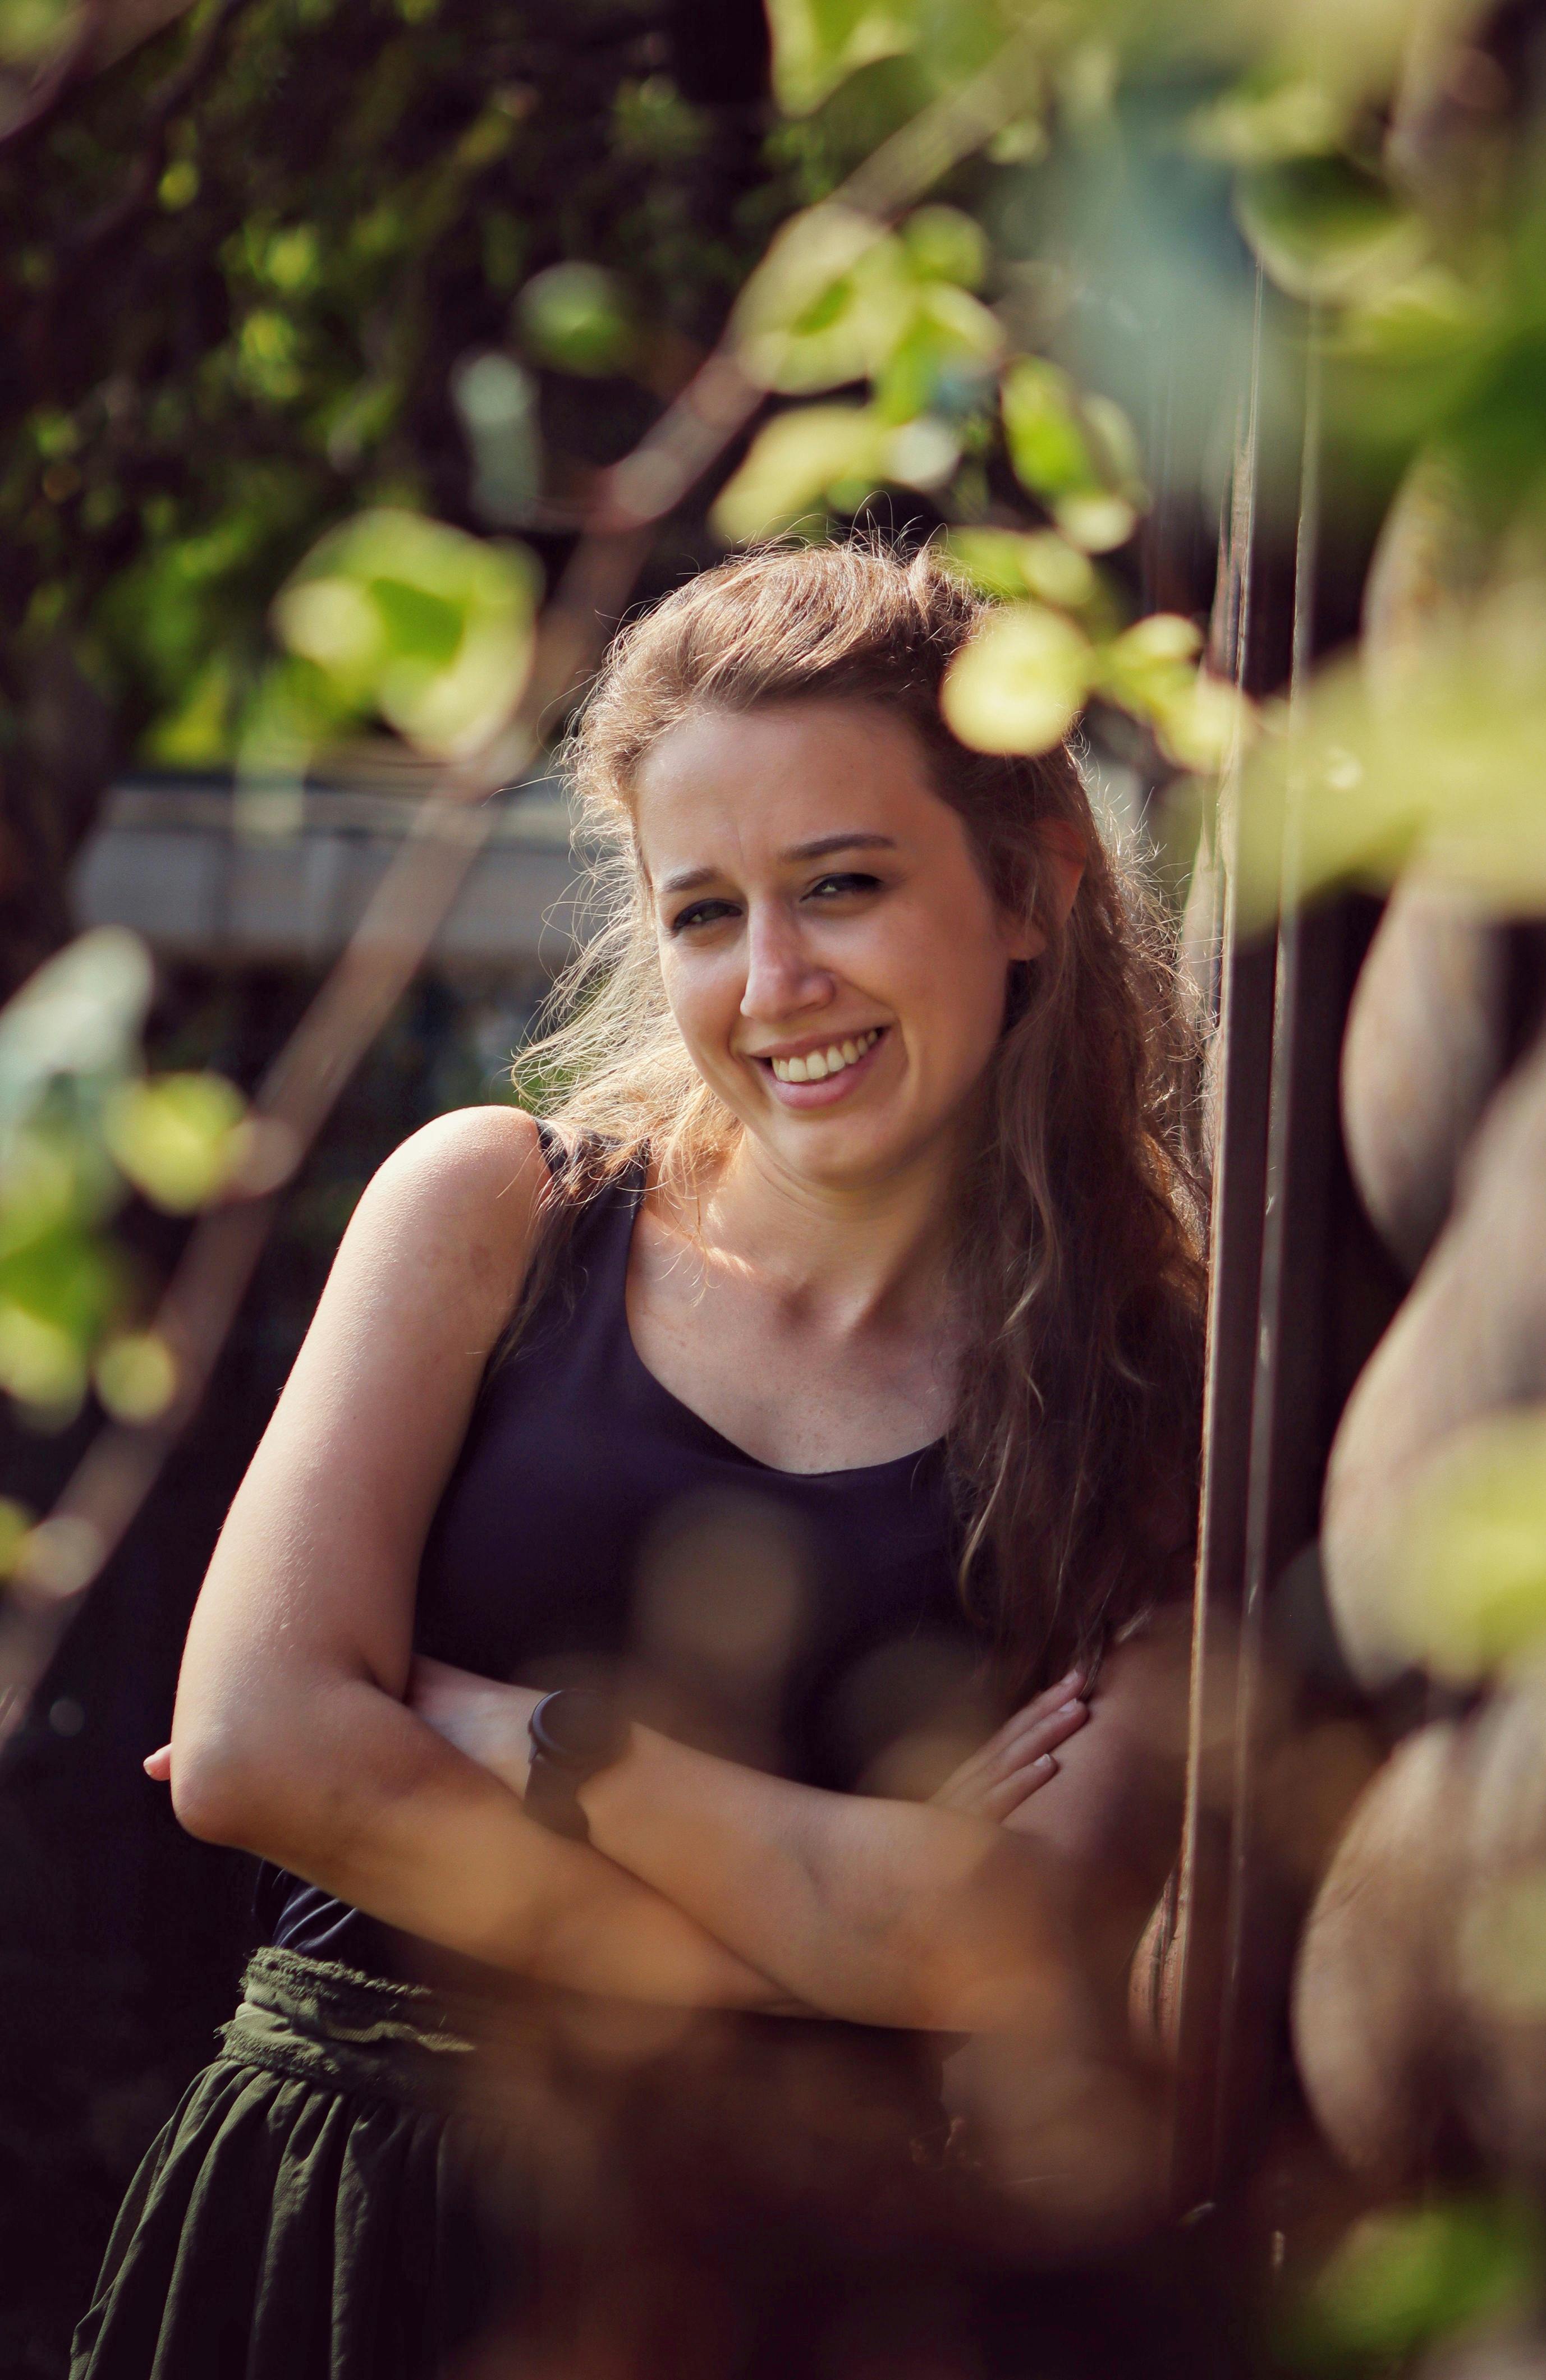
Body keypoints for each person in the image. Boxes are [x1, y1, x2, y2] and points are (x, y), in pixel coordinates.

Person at [73, 541, 1205, 2380]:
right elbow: (257, 1748)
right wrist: (830, 1929)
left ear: (1028, 886)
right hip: (340, 2224)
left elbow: (1010, 1942)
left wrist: (517, 1738)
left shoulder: (1156, 1383)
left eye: (840, 885)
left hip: (784, 2291)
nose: (774, 981)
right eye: (704, 913)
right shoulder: (493, 1210)